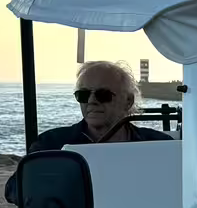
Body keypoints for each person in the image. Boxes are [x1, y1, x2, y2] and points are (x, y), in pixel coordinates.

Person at [32, 61, 172, 151]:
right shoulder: (51, 144)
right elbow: (15, 189)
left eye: (103, 95)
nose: (92, 101)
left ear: (128, 101)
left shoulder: (160, 145)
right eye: (83, 95)